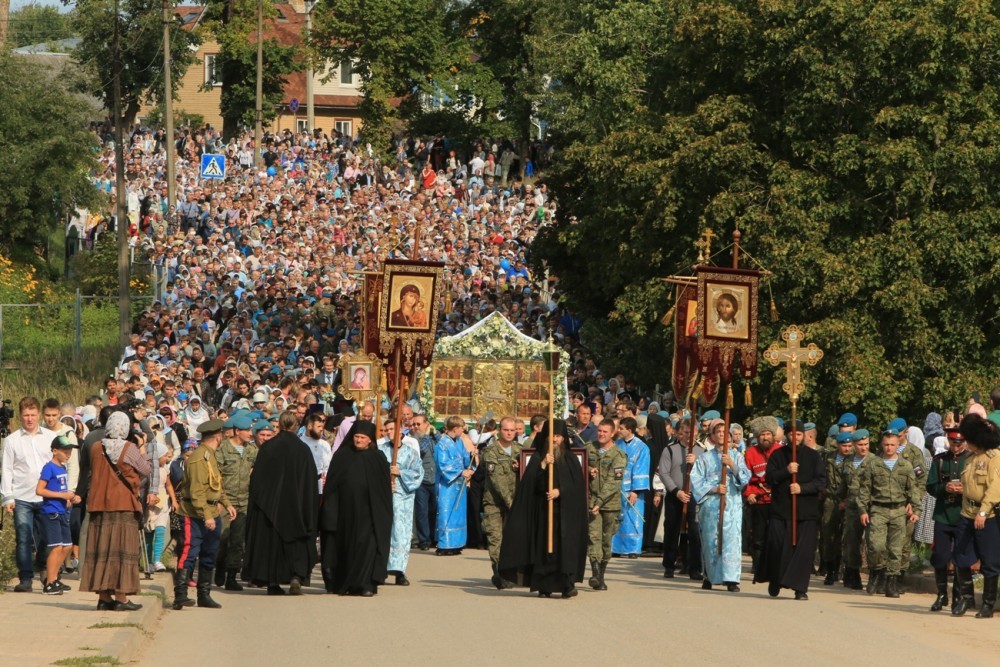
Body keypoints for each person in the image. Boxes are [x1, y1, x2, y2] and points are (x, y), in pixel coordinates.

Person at [498, 419, 588, 598]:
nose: (555, 440)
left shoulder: (570, 459)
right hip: (543, 513)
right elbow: (529, 485)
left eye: (559, 436)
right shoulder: (539, 457)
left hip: (564, 514)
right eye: (552, 436)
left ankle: (566, 585)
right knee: (544, 548)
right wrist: (543, 465)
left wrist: (560, 491)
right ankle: (544, 585)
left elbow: (578, 487)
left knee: (564, 549)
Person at [79, 411, 150, 611]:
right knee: (121, 551)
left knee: (100, 551)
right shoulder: (130, 449)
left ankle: (104, 597)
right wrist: (142, 447)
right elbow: (145, 470)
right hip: (122, 506)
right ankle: (121, 597)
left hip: (99, 505)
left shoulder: (95, 447)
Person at [243, 412, 319, 595]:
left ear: (279, 425)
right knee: (295, 542)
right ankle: (296, 576)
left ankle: (272, 582)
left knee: (272, 545)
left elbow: (257, 480)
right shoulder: (303, 450)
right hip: (296, 507)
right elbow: (309, 482)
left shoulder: (268, 447)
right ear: (295, 425)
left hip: (270, 507)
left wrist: (261, 503)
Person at [319, 420, 392, 597]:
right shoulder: (342, 456)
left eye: (363, 437)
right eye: (356, 437)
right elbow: (332, 487)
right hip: (345, 513)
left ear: (370, 440)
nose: (358, 440)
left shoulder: (378, 458)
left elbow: (383, 489)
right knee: (346, 547)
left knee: (368, 546)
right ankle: (348, 583)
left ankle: (366, 584)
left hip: (370, 513)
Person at [755, 420, 827, 600]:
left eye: (799, 434)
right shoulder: (778, 456)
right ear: (787, 435)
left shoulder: (814, 456)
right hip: (782, 509)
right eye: (792, 434)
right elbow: (770, 478)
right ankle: (775, 579)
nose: (796, 437)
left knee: (803, 551)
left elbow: (821, 482)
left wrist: (802, 488)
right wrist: (786, 471)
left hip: (805, 511)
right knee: (777, 547)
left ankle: (800, 588)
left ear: (804, 435)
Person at [171, 419, 237, 610]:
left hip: (210, 511)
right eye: (223, 435)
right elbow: (197, 492)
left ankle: (204, 595)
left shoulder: (210, 456)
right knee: (189, 552)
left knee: (209, 554)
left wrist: (226, 503)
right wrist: (206, 515)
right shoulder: (199, 458)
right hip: (195, 514)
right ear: (217, 436)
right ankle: (180, 595)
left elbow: (215, 485)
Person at [857, 427, 922, 598]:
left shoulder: (906, 466)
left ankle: (891, 583)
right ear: (881, 444)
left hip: (898, 511)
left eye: (892, 445)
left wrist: (916, 509)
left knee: (896, 549)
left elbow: (913, 490)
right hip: (878, 509)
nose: (889, 448)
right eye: (886, 444)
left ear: (897, 444)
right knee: (876, 546)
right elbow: (865, 489)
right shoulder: (874, 464)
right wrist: (863, 510)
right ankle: (875, 574)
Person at [1, 397, 57, 592]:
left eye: (33, 415)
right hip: (22, 496)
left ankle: (42, 567)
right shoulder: (11, 441)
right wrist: (7, 497)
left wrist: (62, 493)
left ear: (39, 415)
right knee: (23, 537)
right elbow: (7, 469)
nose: (30, 419)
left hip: (47, 496)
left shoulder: (50, 437)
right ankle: (25, 578)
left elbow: (58, 465)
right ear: (20, 416)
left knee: (47, 537)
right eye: (26, 415)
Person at [690, 418, 749, 592]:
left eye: (725, 432)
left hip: (732, 506)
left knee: (731, 541)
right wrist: (714, 488)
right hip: (711, 506)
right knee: (711, 540)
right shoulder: (704, 458)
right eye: (718, 432)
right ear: (713, 435)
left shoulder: (737, 456)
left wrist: (731, 465)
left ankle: (731, 579)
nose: (722, 435)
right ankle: (709, 576)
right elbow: (696, 481)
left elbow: (745, 478)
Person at [926, 426, 974, 613]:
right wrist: (944, 488)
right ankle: (941, 594)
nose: (956, 446)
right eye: (953, 442)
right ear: (948, 441)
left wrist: (965, 490)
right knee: (940, 556)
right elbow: (930, 486)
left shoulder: (970, 460)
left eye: (960, 443)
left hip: (963, 514)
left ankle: (958, 597)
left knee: (961, 558)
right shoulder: (939, 461)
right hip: (943, 514)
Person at [957, 414, 1000, 617]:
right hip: (967, 513)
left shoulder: (994, 458)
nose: (966, 442)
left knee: (990, 561)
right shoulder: (970, 458)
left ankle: (988, 604)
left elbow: (995, 489)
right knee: (961, 556)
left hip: (987, 516)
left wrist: (983, 511)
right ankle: (966, 599)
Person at [213, 413, 258, 591]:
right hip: (225, 501)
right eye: (247, 430)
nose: (250, 433)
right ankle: (220, 566)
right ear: (237, 431)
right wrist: (217, 500)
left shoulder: (252, 450)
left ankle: (232, 576)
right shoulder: (222, 449)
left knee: (238, 541)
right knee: (222, 538)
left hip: (244, 500)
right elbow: (215, 476)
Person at [377, 419, 424, 586]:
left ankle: (400, 571)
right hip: (384, 497)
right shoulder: (380, 450)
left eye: (392, 429)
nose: (389, 432)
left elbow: (418, 474)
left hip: (403, 498)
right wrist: (384, 480)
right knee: (384, 531)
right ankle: (380, 568)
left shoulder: (411, 452)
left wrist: (400, 472)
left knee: (401, 533)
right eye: (386, 429)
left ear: (400, 432)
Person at [659, 417, 704, 580]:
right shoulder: (670, 450)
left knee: (694, 532)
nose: (689, 436)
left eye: (692, 433)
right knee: (671, 530)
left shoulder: (702, 451)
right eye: (685, 433)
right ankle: (669, 565)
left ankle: (694, 567)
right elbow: (664, 473)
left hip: (694, 495)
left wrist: (696, 461)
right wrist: (676, 491)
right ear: (679, 433)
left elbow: (707, 473)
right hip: (675, 495)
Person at [481, 416, 522, 589]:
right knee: (496, 538)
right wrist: (509, 501)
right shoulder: (491, 451)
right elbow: (497, 480)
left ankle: (512, 573)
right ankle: (498, 573)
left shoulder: (519, 450)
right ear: (499, 430)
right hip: (495, 503)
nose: (509, 433)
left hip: (514, 502)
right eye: (506, 430)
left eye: (512, 430)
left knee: (512, 539)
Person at [37, 435, 81, 595]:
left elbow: (62, 490)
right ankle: (49, 583)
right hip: (51, 512)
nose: (68, 454)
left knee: (67, 545)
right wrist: (61, 496)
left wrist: (70, 498)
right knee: (56, 547)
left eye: (69, 451)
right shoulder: (49, 467)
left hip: (62, 511)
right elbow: (40, 490)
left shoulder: (63, 468)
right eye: (64, 451)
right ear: (54, 451)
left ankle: (54, 578)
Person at [586, 418, 626, 590]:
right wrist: (588, 469)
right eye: (599, 431)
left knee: (605, 540)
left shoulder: (618, 455)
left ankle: (601, 574)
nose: (601, 434)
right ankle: (595, 573)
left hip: (610, 504)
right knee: (593, 536)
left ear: (612, 434)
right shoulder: (589, 448)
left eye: (605, 432)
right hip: (591, 501)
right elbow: (578, 464)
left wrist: (601, 501)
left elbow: (613, 482)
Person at [837, 429, 877, 590]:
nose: (864, 448)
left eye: (866, 444)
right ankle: (852, 572)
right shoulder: (847, 462)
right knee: (851, 541)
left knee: (873, 541)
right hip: (852, 507)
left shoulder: (875, 461)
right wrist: (841, 499)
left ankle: (875, 575)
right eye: (860, 445)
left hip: (871, 507)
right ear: (854, 445)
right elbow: (842, 485)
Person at [744, 416, 780, 576]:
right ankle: (758, 566)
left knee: (776, 535)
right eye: (762, 435)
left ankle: (774, 566)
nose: (765, 437)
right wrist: (749, 494)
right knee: (758, 536)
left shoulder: (780, 451)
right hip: (758, 500)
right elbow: (745, 478)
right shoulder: (751, 453)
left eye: (768, 434)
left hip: (777, 501)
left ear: (773, 435)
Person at [435, 416, 474, 555]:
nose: (463, 431)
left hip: (459, 484)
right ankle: (444, 545)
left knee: (458, 514)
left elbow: (465, 458)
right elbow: (442, 465)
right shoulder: (442, 444)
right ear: (455, 428)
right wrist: (460, 472)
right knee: (446, 513)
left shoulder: (460, 442)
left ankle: (457, 544)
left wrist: (471, 457)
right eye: (462, 428)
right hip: (447, 485)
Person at [611, 417, 650, 558]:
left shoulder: (642, 447)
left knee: (632, 518)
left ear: (629, 430)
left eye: (621, 428)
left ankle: (633, 549)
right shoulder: (617, 444)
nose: (619, 431)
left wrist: (635, 491)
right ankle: (616, 548)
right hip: (617, 487)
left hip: (633, 490)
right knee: (617, 517)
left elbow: (641, 469)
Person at [820, 432, 854, 585]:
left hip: (849, 501)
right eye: (844, 446)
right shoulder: (828, 457)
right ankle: (830, 569)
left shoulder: (855, 459)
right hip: (831, 499)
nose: (847, 449)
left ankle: (844, 569)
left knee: (846, 537)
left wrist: (847, 500)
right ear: (838, 445)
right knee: (828, 535)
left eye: (849, 445)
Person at [643, 413, 670, 553]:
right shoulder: (667, 446)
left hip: (652, 485)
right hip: (662, 486)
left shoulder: (648, 446)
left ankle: (649, 543)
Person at [412, 414, 437, 550]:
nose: (415, 427)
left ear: (427, 424)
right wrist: (427, 435)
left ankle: (433, 537)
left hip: (435, 480)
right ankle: (424, 541)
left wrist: (434, 432)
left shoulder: (434, 438)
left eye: (418, 424)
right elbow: (420, 450)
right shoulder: (413, 440)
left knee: (434, 511)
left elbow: (441, 444)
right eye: (413, 424)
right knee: (422, 512)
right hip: (421, 481)